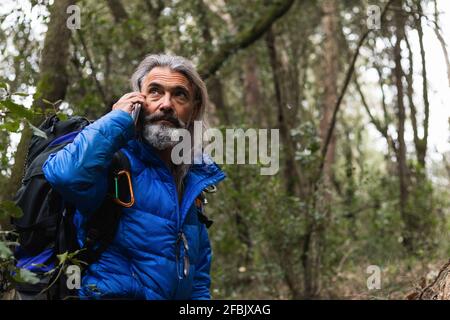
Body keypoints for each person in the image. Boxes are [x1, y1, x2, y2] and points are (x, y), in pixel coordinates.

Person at [42, 54, 226, 299]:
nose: (166, 104)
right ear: (138, 101)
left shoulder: (193, 183)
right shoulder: (113, 163)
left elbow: (199, 281)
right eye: (155, 92)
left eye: (179, 94)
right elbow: (65, 176)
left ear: (193, 111)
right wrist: (117, 119)